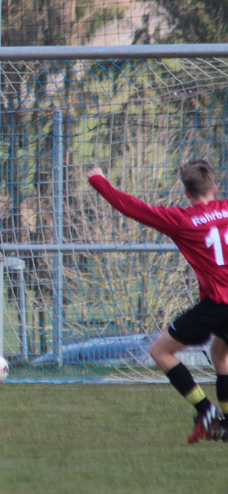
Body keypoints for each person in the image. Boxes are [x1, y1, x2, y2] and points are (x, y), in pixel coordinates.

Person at [89, 160, 228, 443]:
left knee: (161, 351)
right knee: (220, 355)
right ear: (215, 187)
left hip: (218, 304)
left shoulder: (182, 220)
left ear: (187, 194)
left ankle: (207, 412)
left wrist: (98, 180)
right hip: (219, 304)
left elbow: (130, 207)